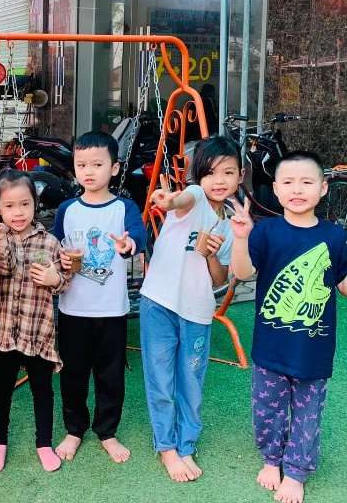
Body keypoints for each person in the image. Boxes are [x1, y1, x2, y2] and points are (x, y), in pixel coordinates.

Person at [229, 150, 347, 503]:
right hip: (270, 347)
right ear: (276, 190)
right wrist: (240, 237)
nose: (297, 189)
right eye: (288, 182)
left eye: (307, 182)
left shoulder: (335, 236)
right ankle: (271, 459)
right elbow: (242, 273)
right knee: (267, 410)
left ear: (323, 188)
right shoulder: (264, 231)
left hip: (313, 349)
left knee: (308, 413)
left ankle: (296, 471)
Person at [141, 135, 242, 482]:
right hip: (159, 303)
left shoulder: (232, 223)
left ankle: (186, 444)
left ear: (240, 176)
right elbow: (181, 200)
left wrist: (211, 253)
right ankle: (167, 447)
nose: (219, 181)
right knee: (160, 378)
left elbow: (220, 278)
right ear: (199, 176)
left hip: (197, 311)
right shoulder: (195, 196)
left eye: (228, 172)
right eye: (211, 173)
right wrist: (169, 200)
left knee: (192, 382)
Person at [52, 131, 148, 464]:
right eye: (81, 165)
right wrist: (60, 259)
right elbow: (54, 247)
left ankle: (107, 431)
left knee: (110, 376)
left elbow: (139, 234)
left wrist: (129, 244)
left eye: (97, 164)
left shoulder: (124, 207)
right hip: (73, 310)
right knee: (73, 374)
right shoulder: (67, 209)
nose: (89, 171)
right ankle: (74, 429)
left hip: (111, 311)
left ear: (115, 168)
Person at [0, 170, 71, 474]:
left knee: (43, 392)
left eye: (24, 204)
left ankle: (44, 443)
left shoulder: (50, 242)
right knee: (1, 391)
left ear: (35, 204)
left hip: (38, 332)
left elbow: (64, 282)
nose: (17, 213)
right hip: (6, 333)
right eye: (9, 206)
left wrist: (54, 278)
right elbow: (3, 270)